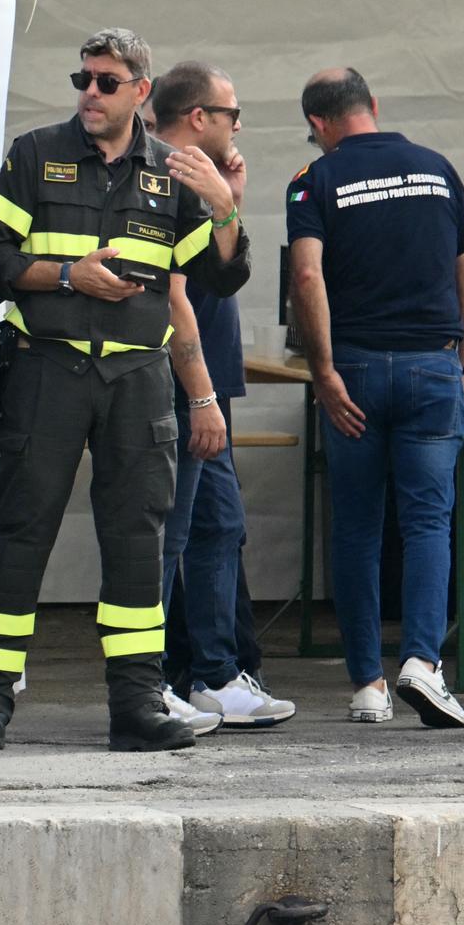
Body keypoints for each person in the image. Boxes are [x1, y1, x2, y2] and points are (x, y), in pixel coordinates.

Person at [0, 29, 249, 754]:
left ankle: (136, 706)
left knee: (137, 544)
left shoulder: (173, 172)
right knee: (23, 534)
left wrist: (224, 206)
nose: (90, 92)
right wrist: (66, 276)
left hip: (136, 379)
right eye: (83, 79)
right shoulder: (35, 154)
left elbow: (218, 277)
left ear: (140, 93)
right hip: (45, 370)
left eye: (107, 81)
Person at [285, 67, 464, 730]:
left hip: (356, 370)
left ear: (317, 125)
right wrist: (457, 360)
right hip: (432, 364)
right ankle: (424, 662)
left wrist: (323, 370)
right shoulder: (437, 169)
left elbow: (307, 273)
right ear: (373, 104)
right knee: (428, 522)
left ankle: (369, 683)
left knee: (358, 528)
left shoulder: (314, 181)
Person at [147, 61, 294, 730]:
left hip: (206, 380)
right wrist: (202, 394)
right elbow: (178, 291)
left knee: (217, 527)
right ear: (201, 117)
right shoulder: (162, 172)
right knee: (173, 533)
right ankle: (155, 680)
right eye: (232, 114)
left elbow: (224, 274)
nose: (240, 126)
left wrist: (228, 198)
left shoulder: (201, 179)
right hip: (182, 382)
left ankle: (212, 673)